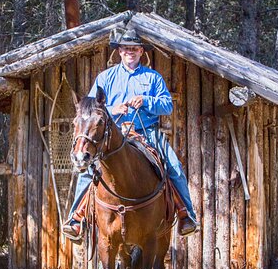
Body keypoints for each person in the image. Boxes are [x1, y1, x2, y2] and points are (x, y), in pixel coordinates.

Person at [62, 28, 198, 241]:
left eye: (134, 49)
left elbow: (167, 107)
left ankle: (185, 215)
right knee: (87, 171)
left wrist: (146, 100)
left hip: (146, 132)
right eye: (126, 49)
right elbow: (88, 110)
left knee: (173, 166)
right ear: (119, 51)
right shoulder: (105, 78)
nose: (130, 52)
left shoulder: (152, 78)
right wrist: (114, 109)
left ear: (141, 51)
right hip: (111, 135)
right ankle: (76, 220)